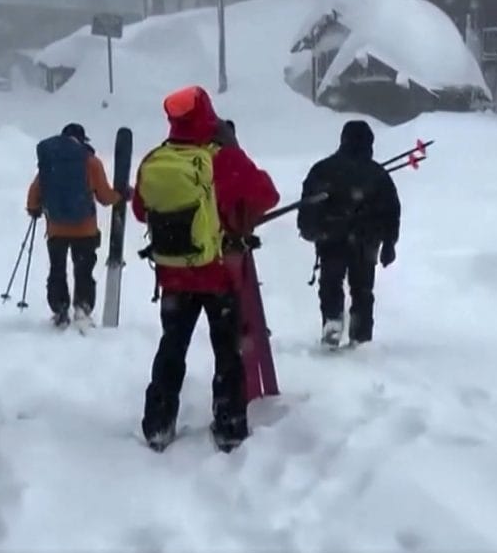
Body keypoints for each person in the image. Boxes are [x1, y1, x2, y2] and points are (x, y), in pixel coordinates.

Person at [132, 86, 279, 453]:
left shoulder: (157, 158)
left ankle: (158, 424)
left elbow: (140, 209)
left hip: (174, 276)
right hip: (219, 273)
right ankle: (229, 427)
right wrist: (234, 151)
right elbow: (267, 196)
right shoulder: (224, 159)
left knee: (172, 346)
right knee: (228, 350)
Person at [296, 120, 401, 348]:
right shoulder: (378, 174)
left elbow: (308, 202)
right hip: (366, 240)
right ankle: (361, 333)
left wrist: (309, 228)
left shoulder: (323, 169)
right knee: (362, 288)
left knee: (331, 283)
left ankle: (333, 321)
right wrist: (389, 243)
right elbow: (391, 210)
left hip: (331, 237)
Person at [26, 122, 124, 329]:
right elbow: (105, 197)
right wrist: (121, 196)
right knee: (83, 270)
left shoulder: (50, 161)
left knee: (57, 269)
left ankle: (60, 308)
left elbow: (35, 190)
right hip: (84, 229)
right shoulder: (90, 161)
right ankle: (83, 307)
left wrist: (34, 208)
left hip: (56, 229)